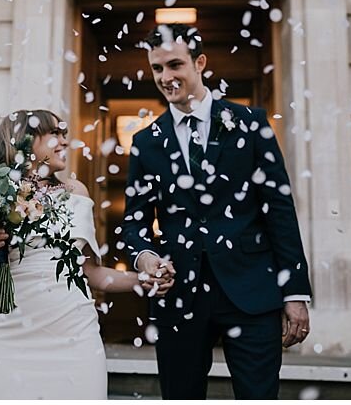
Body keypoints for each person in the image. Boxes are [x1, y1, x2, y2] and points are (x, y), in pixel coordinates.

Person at [120, 24, 313, 399]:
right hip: (178, 294)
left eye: (175, 64)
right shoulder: (146, 143)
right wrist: (145, 258)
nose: (166, 77)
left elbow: (280, 211)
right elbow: (135, 222)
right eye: (157, 68)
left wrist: (295, 292)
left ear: (200, 62)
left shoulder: (252, 124)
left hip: (253, 288)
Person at [0, 110, 173, 399]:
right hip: (5, 331)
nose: (64, 141)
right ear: (23, 140)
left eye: (65, 134)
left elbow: (93, 274)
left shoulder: (75, 192)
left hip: (71, 334)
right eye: (54, 134)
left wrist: (144, 280)